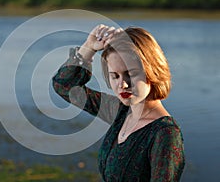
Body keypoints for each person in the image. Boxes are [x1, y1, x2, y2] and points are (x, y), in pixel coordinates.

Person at [52, 24, 185, 181]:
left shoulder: (165, 134)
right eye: (115, 76)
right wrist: (89, 47)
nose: (122, 84)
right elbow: (64, 87)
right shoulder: (120, 111)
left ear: (153, 71)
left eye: (131, 74)